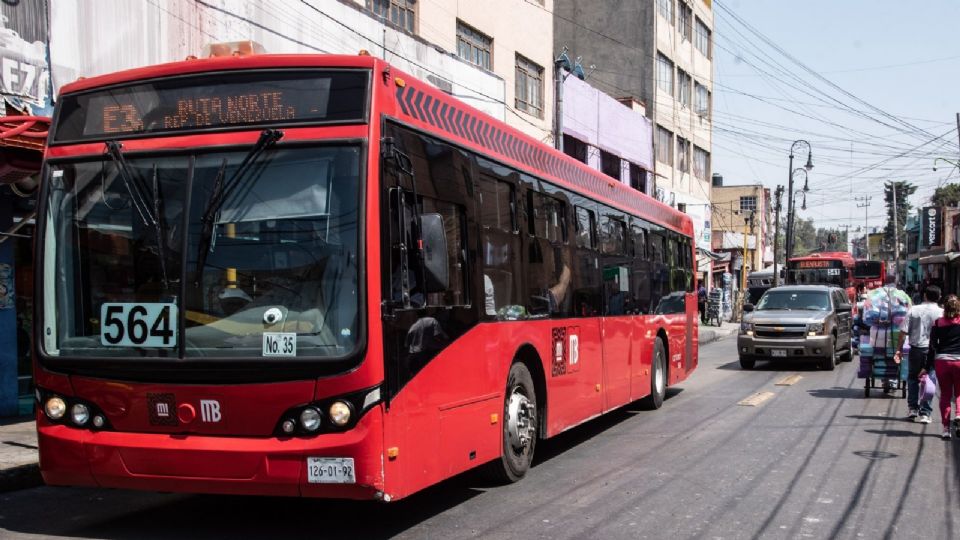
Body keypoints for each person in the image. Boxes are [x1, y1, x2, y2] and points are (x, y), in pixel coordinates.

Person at [895, 285, 942, 424]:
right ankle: (925, 413)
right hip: (934, 351)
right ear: (939, 297)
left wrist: (898, 349)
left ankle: (913, 409)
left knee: (913, 378)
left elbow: (903, 332)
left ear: (925, 296)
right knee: (930, 380)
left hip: (916, 350)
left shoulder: (914, 310)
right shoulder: (941, 313)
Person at [924, 294, 960, 440]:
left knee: (945, 394)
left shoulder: (937, 323)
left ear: (944, 307)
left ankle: (946, 429)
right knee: (959, 393)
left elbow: (932, 346)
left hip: (942, 362)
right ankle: (958, 414)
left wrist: (926, 367)